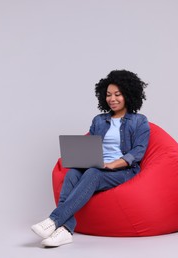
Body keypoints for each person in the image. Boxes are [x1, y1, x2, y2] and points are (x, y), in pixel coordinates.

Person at [31, 70, 150, 247]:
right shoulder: (99, 120)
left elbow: (138, 151)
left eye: (118, 94)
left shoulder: (139, 121)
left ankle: (53, 220)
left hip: (123, 170)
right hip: (98, 165)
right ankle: (65, 230)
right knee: (72, 173)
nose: (112, 99)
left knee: (93, 173)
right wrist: (83, 158)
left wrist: (112, 164)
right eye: (108, 95)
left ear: (128, 95)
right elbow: (91, 146)